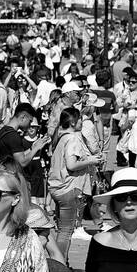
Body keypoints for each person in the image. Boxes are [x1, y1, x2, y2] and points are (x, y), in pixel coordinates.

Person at [47, 107, 101, 256]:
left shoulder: (61, 136)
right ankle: (60, 265)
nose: (82, 123)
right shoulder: (72, 138)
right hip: (68, 188)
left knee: (62, 229)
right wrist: (92, 161)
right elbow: (71, 165)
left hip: (57, 187)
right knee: (66, 231)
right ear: (72, 121)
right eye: (80, 120)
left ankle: (61, 263)